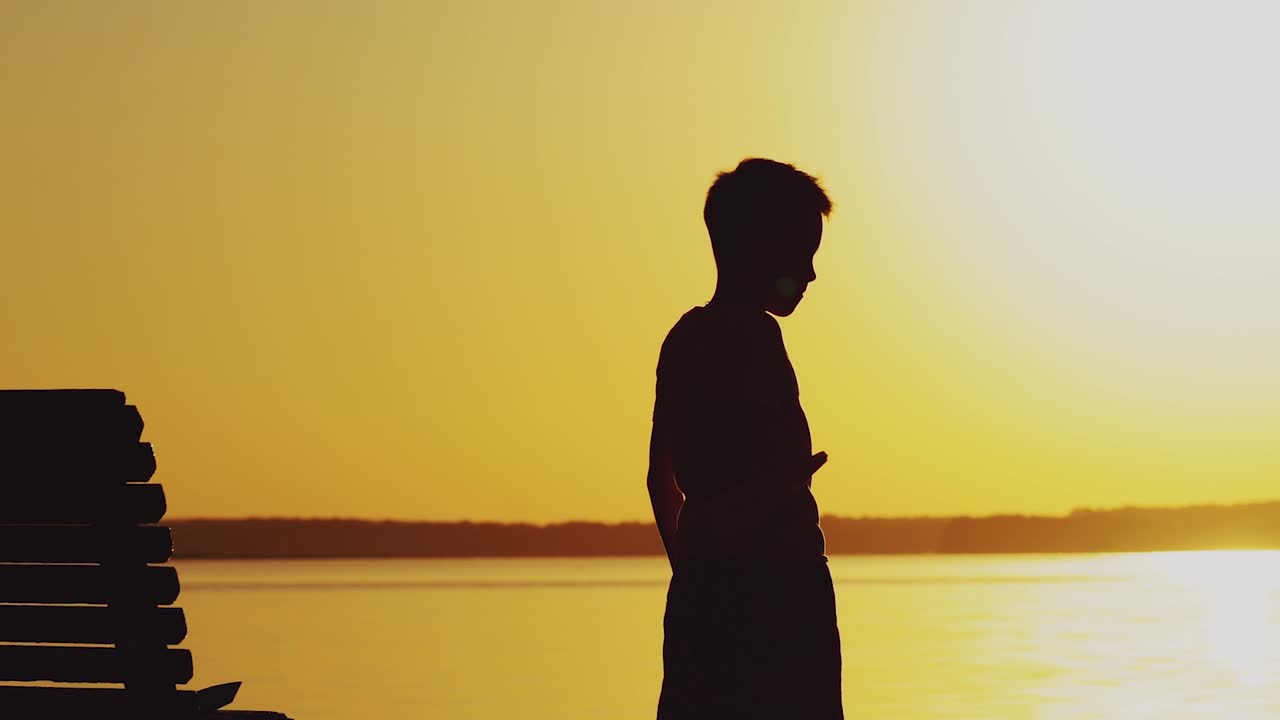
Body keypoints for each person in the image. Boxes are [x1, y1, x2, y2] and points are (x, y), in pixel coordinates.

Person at [648, 158, 842, 719]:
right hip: (779, 597)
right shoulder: (757, 336)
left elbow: (660, 481)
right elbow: (769, 478)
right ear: (758, 248)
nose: (809, 276)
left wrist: (691, 569)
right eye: (801, 256)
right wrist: (782, 485)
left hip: (702, 592)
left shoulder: (683, 337)